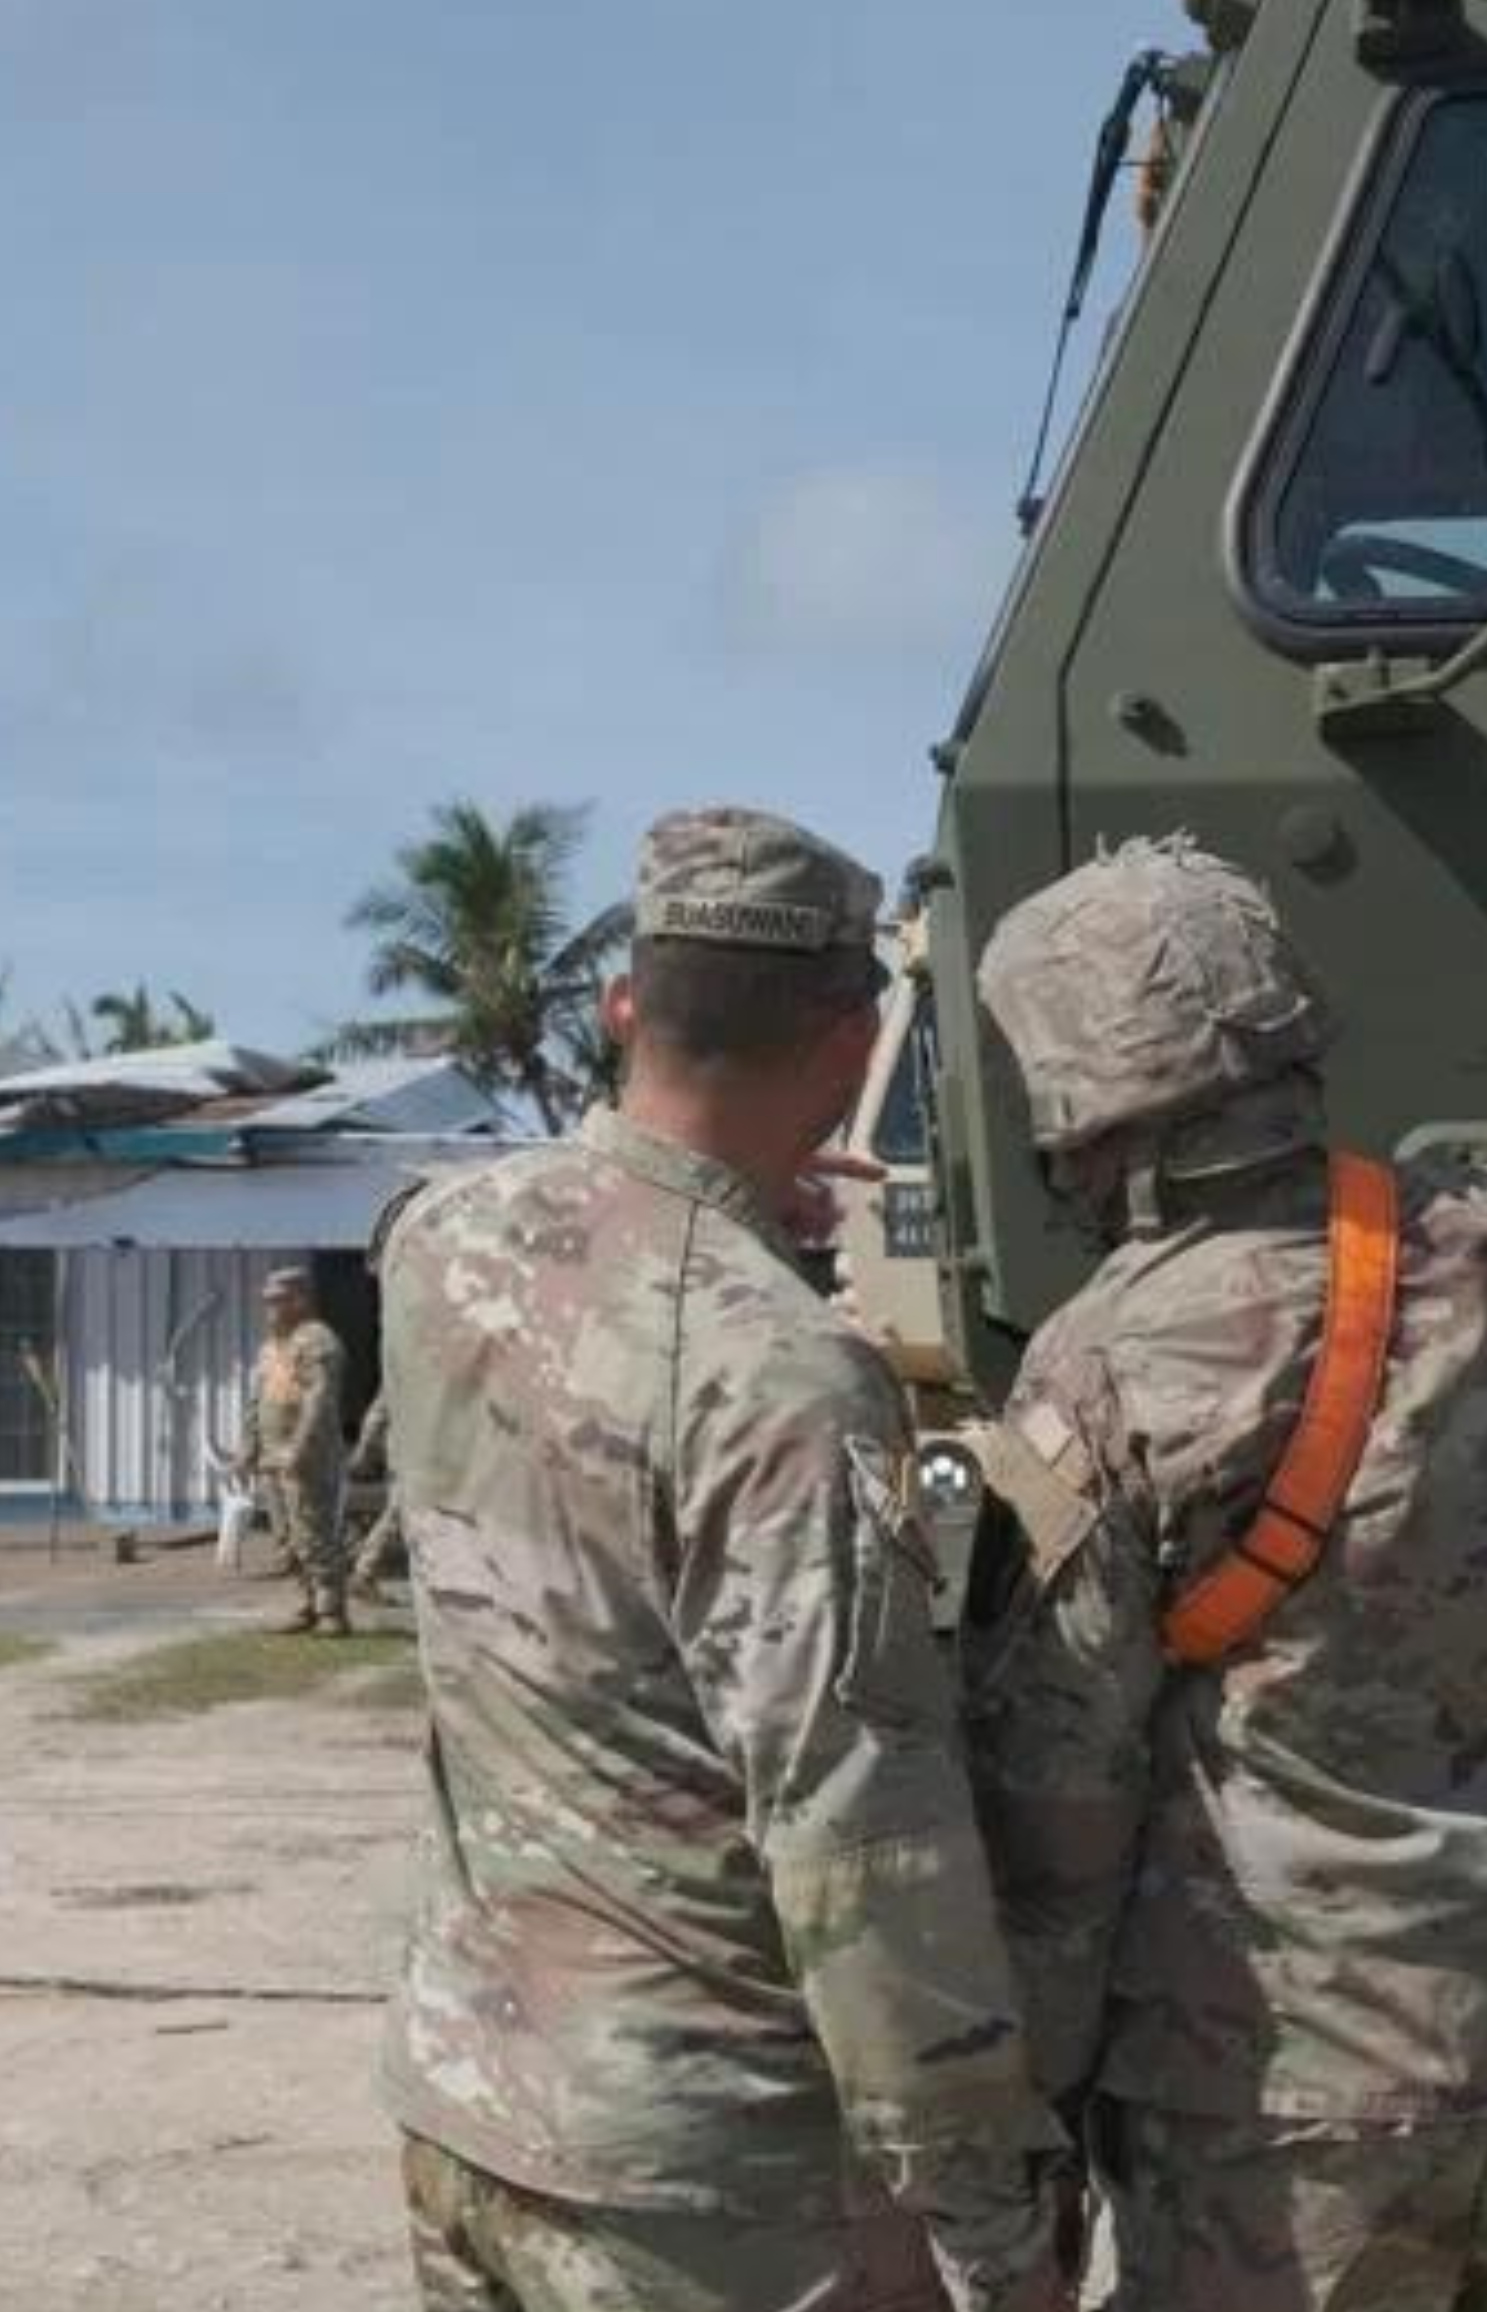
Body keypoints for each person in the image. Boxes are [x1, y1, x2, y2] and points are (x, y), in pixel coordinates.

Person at [958, 838, 1487, 2312]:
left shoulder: (1102, 1365)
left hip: (1278, 2102)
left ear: (1074, 1109)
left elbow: (1061, 1798)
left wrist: (1033, 2111)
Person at [381, 805, 1068, 2312]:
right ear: (851, 1040)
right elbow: (857, 1833)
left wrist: (736, 1224)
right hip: (704, 2172)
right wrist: (993, 2220)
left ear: (623, 1004)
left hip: (472, 2090)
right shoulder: (780, 1372)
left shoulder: (438, 1240)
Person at [241, 1266, 352, 1637]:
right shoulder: (270, 1347)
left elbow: (319, 1400)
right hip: (272, 1457)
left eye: (277, 1300)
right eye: (267, 1301)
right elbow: (256, 1402)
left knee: (313, 1532)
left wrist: (298, 1448)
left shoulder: (316, 1341)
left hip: (307, 1457)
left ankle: (331, 1611)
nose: (269, 1308)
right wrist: (247, 1449)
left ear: (300, 1300)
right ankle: (304, 1603)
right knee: (285, 1536)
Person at [339, 1380, 407, 1605]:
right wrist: (362, 1455)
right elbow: (376, 1416)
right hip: (412, 1456)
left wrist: (363, 1454)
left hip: (426, 1455)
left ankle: (363, 1567)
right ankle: (364, 1571)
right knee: (399, 1512)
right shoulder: (405, 1372)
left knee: (401, 1513)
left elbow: (376, 1416)